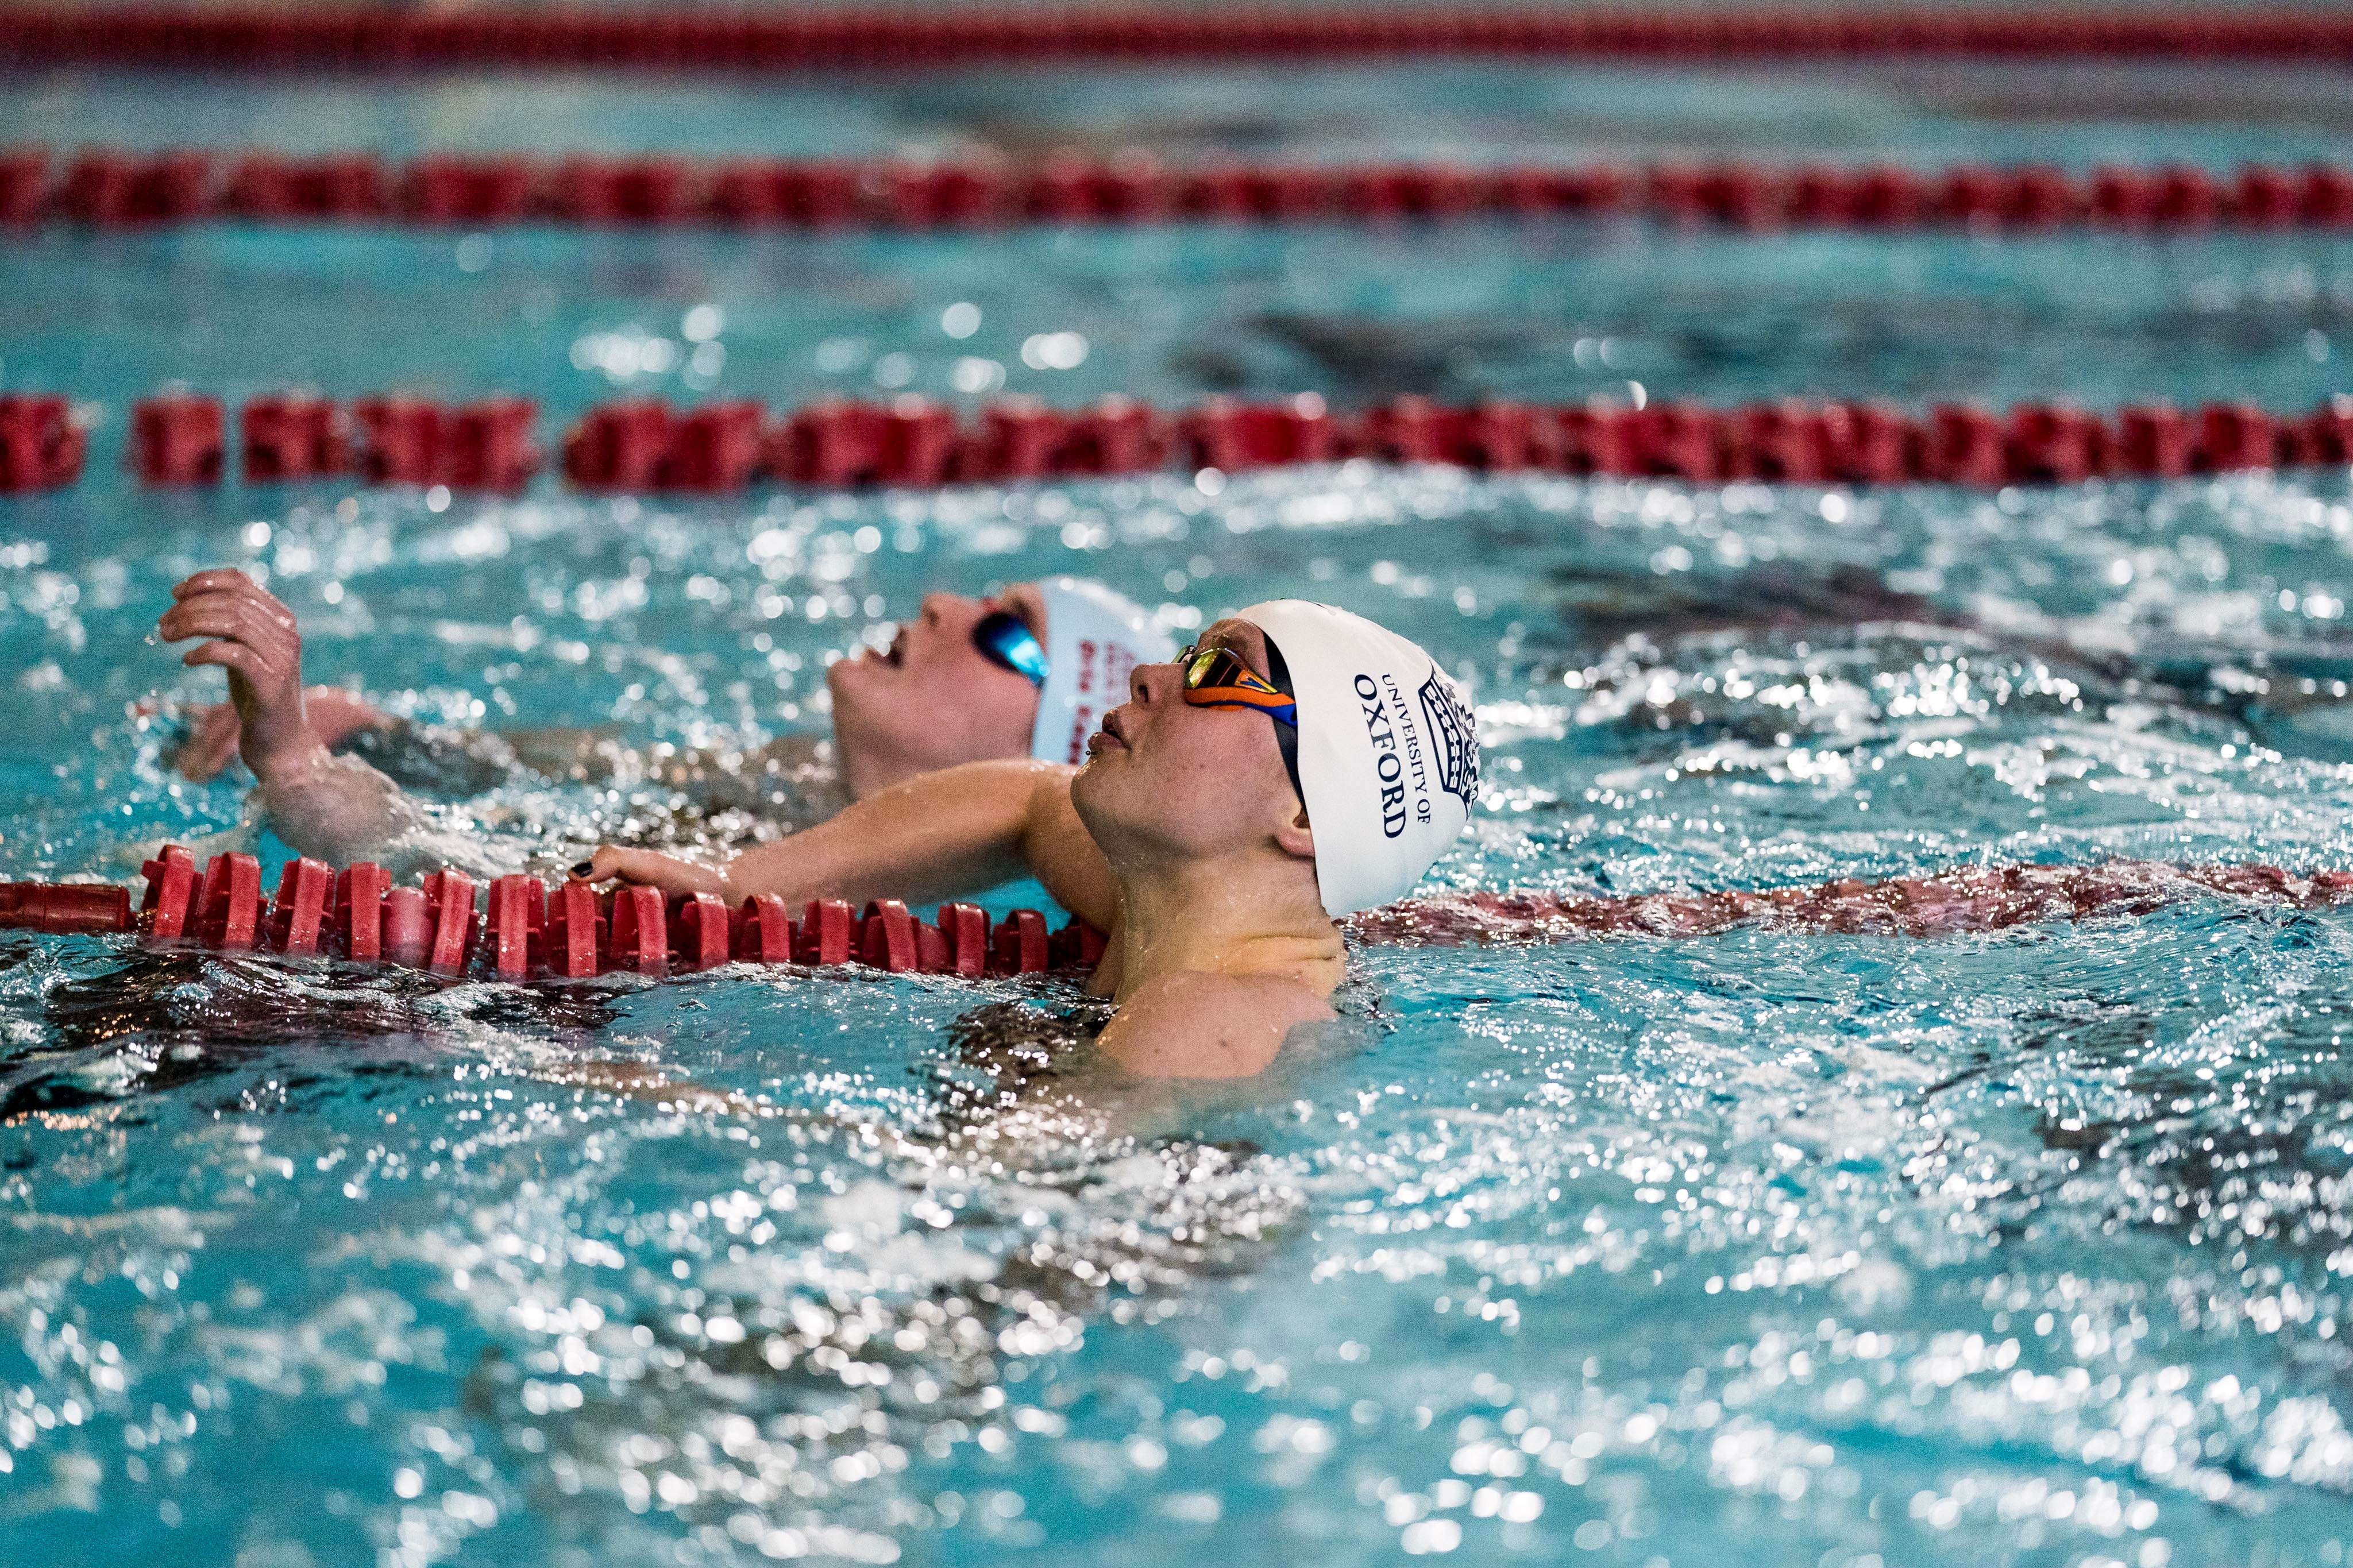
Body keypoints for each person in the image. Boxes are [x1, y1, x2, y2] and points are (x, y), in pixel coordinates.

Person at [575, 600, 1483, 1079]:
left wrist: (649, 1088)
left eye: (1215, 672)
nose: (1151, 674)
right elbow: (1022, 801)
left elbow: (1009, 1202)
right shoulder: (1170, 904)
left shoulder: (1212, 1016)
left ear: (1305, 819)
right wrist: (740, 884)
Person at [153, 567, 1171, 876]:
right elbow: (532, 775)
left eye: (1009, 636)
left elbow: (454, 871)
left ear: (1061, 754)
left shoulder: (855, 908)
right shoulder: (782, 781)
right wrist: (373, 729)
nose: (947, 605)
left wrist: (289, 753)